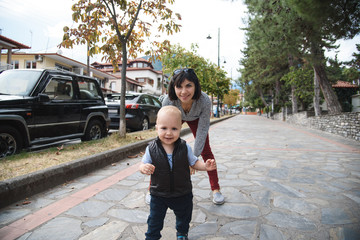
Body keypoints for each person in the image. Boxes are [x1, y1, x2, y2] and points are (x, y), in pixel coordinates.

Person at [140, 106, 217, 240]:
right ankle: (152, 236)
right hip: (159, 194)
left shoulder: (184, 147)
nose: (169, 133)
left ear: (180, 129)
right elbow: (142, 164)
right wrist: (144, 168)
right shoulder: (151, 148)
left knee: (184, 216)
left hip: (182, 192)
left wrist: (205, 166)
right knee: (154, 220)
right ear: (156, 127)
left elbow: (194, 163)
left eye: (174, 129)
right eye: (164, 128)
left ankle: (182, 233)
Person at [162, 68, 225, 205]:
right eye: (179, 86)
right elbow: (164, 131)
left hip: (196, 118)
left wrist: (193, 160)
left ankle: (216, 189)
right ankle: (153, 189)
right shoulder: (168, 101)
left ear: (195, 86)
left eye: (188, 85)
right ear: (173, 87)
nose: (184, 92)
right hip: (176, 117)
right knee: (165, 148)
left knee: (206, 150)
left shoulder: (204, 100)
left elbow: (202, 132)